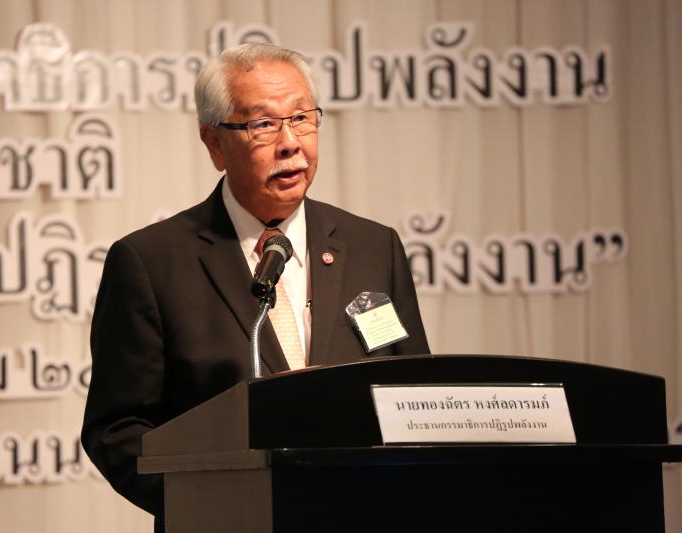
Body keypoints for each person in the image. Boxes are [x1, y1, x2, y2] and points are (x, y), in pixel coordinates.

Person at [81, 42, 430, 529]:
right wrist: (220, 501)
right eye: (263, 124)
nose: (290, 143)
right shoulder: (151, 263)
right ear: (214, 144)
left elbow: (414, 395)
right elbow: (117, 430)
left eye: (302, 118)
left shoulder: (375, 246)